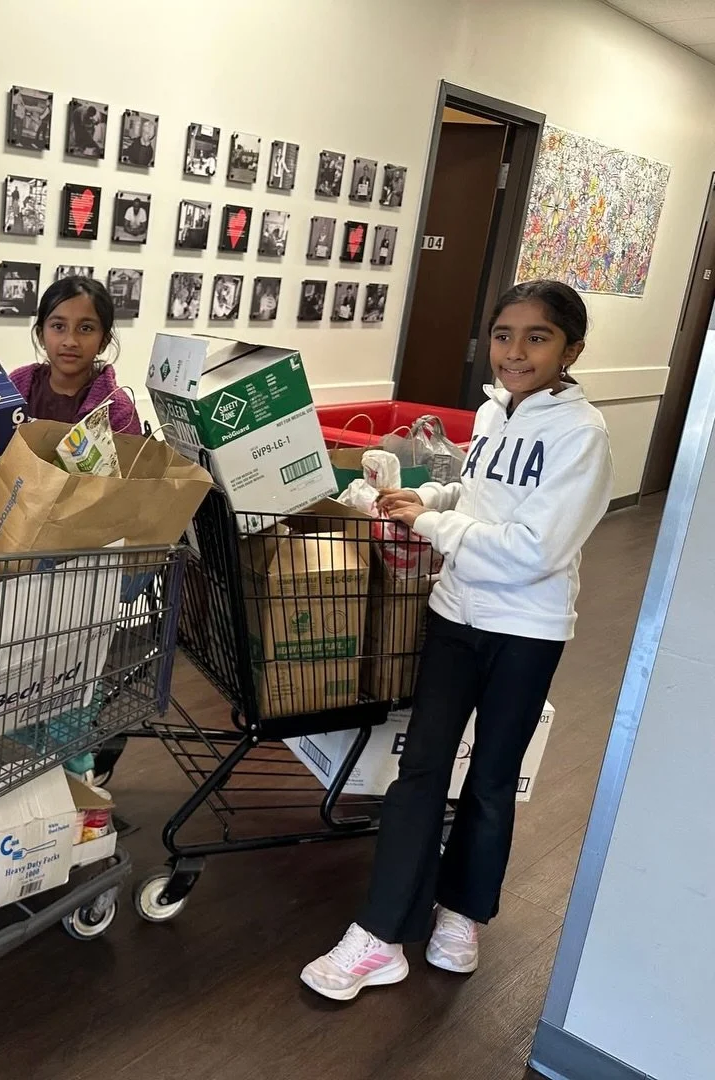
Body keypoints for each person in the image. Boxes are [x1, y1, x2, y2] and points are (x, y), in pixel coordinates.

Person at [301, 280, 613, 1002]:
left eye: (537, 337)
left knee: (492, 779)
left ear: (573, 348)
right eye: (504, 334)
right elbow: (481, 490)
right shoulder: (495, 409)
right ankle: (381, 935)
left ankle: (463, 912)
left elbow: (536, 548)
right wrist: (432, 498)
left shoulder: (581, 434)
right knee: (420, 774)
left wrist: (434, 527)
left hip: (526, 631)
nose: (515, 351)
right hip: (455, 613)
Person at [10, 276, 140, 434]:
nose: (70, 341)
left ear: (104, 341)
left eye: (85, 328)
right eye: (58, 326)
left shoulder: (117, 411)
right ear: (41, 335)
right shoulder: (16, 387)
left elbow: (132, 459)